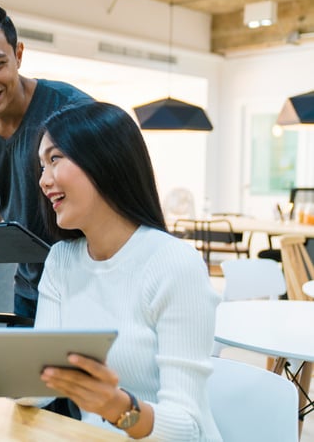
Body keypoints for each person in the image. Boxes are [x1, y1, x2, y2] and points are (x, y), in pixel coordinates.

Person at [25, 101, 221, 441]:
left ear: (105, 160)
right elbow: (41, 389)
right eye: (41, 166)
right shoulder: (60, 260)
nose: (44, 180)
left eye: (55, 159)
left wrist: (118, 407)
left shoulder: (174, 263)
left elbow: (188, 428)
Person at [0, 1, 92, 319]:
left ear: (19, 55)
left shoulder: (71, 112)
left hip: (87, 288)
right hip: (28, 291)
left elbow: (109, 201)